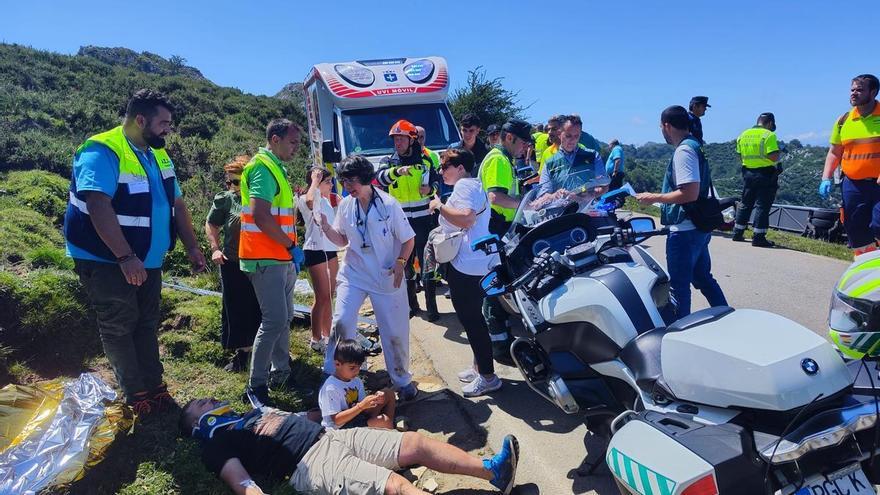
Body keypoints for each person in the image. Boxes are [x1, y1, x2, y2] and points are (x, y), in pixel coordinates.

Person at [63, 89, 206, 415]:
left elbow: (178, 203)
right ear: (140, 120)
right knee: (119, 324)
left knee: (146, 323)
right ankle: (135, 392)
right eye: (163, 123)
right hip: (108, 259)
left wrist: (192, 247)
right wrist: (126, 257)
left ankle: (154, 387)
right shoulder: (102, 149)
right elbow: (97, 204)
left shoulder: (159, 155)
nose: (169, 129)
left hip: (148, 260)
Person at [180, 398, 520, 495]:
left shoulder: (249, 415)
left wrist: (356, 407)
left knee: (414, 443)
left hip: (333, 437)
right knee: (397, 486)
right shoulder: (215, 444)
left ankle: (494, 471)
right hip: (310, 465)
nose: (207, 399)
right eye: (198, 404)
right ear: (198, 424)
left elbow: (310, 416)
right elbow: (242, 483)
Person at [320, 155, 420, 401]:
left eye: (351, 181)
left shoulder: (389, 204)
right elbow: (342, 240)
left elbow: (408, 239)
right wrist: (325, 227)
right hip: (354, 274)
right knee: (342, 321)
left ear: (365, 178)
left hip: (387, 277)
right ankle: (334, 373)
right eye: (343, 181)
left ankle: (402, 379)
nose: (347, 187)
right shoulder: (345, 205)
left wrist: (400, 263)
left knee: (395, 331)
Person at [635, 105, 727, 319]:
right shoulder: (696, 145)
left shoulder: (684, 150)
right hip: (698, 228)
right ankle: (726, 315)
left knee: (678, 287)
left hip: (685, 230)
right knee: (703, 278)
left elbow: (689, 193)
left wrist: (653, 197)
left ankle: (680, 333)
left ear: (666, 126)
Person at [239, 118, 302, 408]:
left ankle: (282, 371)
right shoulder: (262, 168)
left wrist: (291, 249)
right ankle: (256, 384)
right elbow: (261, 216)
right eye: (293, 142)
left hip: (282, 256)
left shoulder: (277, 168)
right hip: (266, 257)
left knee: (285, 316)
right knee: (274, 320)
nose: (296, 148)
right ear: (275, 139)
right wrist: (290, 245)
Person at [428, 148, 502, 397]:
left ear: (460, 168)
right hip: (477, 260)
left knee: (472, 321)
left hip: (468, 263)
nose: (441, 171)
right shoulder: (473, 185)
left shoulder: (464, 186)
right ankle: (479, 367)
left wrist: (439, 206)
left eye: (445, 166)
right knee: (475, 318)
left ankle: (488, 377)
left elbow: (467, 219)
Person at [479, 119, 531, 365]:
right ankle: (499, 348)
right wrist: (525, 203)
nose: (525, 147)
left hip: (500, 227)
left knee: (500, 288)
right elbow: (496, 197)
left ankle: (501, 342)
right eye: (523, 142)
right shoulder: (499, 159)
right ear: (509, 137)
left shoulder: (502, 158)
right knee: (496, 290)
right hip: (496, 228)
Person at [376, 119, 439, 320]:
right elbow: (380, 179)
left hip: (424, 221)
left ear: (412, 140)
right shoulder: (389, 162)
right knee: (406, 266)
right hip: (400, 224)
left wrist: (431, 189)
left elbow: (437, 183)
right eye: (395, 139)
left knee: (428, 266)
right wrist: (397, 171)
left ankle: (432, 308)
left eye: (402, 138)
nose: (398, 143)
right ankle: (412, 306)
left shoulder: (426, 161)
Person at [206, 155, 262, 372]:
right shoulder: (226, 199)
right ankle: (243, 353)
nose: (231, 186)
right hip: (233, 262)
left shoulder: (259, 197)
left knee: (261, 307)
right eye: (228, 182)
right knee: (237, 309)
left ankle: (266, 352)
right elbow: (211, 225)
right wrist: (215, 249)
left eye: (236, 182)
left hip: (260, 262)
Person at [820, 74, 880, 257]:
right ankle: (864, 265)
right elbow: (835, 152)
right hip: (853, 184)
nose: (854, 93)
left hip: (877, 185)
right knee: (854, 227)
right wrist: (825, 178)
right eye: (852, 89)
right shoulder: (843, 120)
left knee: (878, 224)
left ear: (873, 92)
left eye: (860, 90)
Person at [296, 166, 339, 353]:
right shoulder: (306, 199)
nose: (331, 184)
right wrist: (314, 180)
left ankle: (328, 334)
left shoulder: (329, 201)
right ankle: (315, 338)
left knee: (330, 295)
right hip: (314, 249)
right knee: (321, 296)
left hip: (330, 249)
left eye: (330, 181)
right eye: (326, 181)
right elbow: (310, 201)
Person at [319, 339, 395, 429]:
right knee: (383, 421)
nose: (357, 371)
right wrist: (361, 406)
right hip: (340, 428)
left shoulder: (356, 381)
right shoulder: (331, 387)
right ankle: (390, 431)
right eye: (352, 367)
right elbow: (336, 419)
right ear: (337, 364)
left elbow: (364, 408)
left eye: (359, 366)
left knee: (388, 393)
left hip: (357, 417)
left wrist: (375, 400)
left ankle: (390, 424)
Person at [732, 113, 782, 247]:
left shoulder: (743, 135)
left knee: (745, 203)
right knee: (762, 205)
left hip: (748, 173)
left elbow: (739, 155)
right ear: (770, 124)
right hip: (765, 174)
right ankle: (758, 237)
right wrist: (779, 152)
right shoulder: (769, 135)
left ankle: (737, 232)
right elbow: (773, 157)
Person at [534, 114, 607, 202]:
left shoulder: (593, 156)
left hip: (586, 211)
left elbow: (604, 185)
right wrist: (556, 195)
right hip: (561, 213)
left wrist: (590, 195)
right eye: (568, 136)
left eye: (576, 136)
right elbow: (543, 194)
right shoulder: (550, 162)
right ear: (559, 134)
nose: (572, 140)